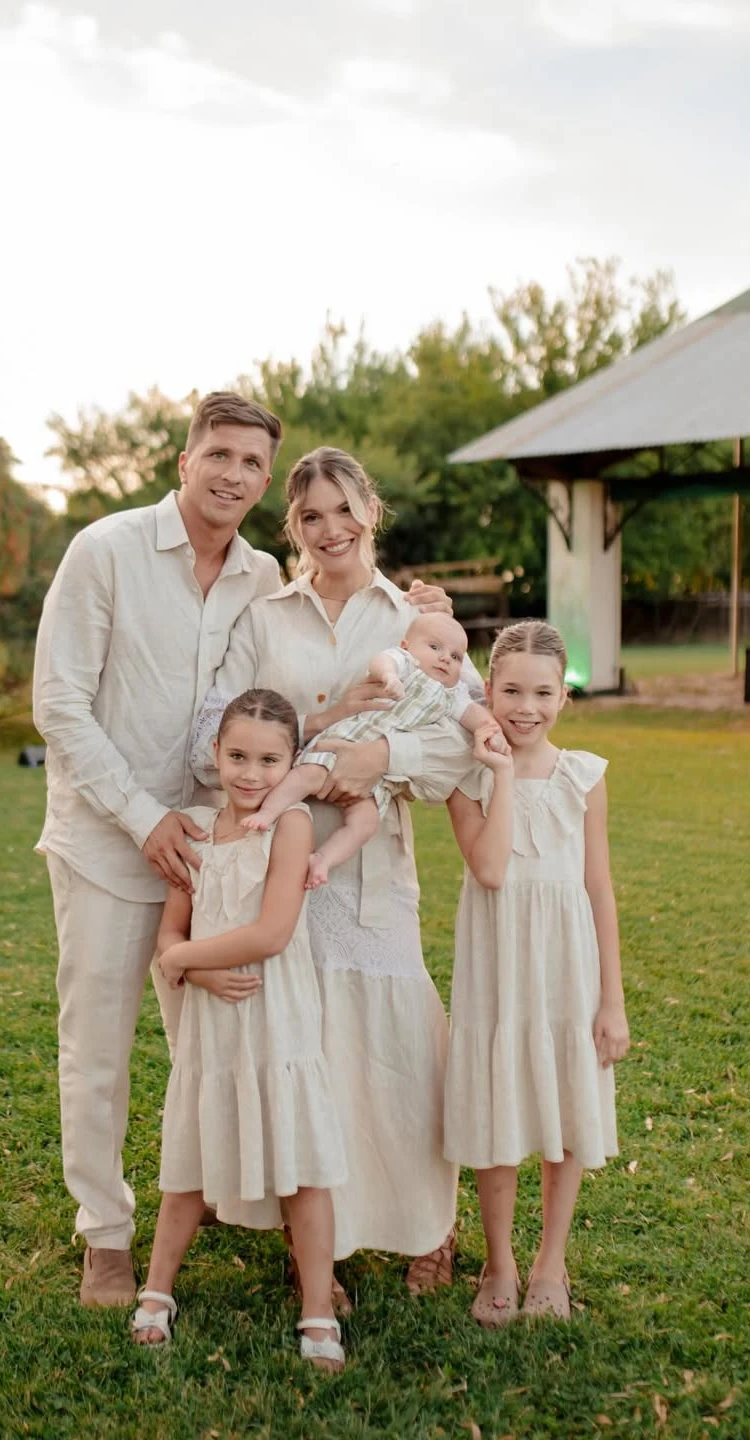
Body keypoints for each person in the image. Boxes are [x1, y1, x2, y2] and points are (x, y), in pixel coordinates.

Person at [32, 396, 448, 1308]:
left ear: (267, 481)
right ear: (185, 459)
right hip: (114, 839)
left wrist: (422, 621)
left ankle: (226, 1190)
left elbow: (296, 682)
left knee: (220, 1037)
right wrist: (145, 818)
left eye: (252, 463)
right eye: (218, 454)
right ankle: (105, 1235)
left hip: (224, 849)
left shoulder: (261, 576)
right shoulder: (104, 552)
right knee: (98, 1046)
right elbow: (57, 705)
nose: (233, 474)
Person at [190, 446, 478, 1301]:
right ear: (295, 526)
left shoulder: (411, 617)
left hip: (371, 867)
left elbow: (460, 738)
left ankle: (434, 1222)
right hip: (276, 866)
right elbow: (218, 730)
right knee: (302, 1048)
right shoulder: (265, 617)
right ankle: (315, 1240)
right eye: (311, 516)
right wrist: (314, 734)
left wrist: (382, 753)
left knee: (398, 1046)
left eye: (344, 509)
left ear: (371, 510)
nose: (330, 529)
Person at [133, 689, 347, 1372]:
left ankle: (318, 1311)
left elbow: (272, 932)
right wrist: (189, 969)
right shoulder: (194, 830)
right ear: (216, 756)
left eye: (268, 760)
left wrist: (182, 960)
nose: (251, 775)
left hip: (277, 1017)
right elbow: (170, 928)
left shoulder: (291, 827)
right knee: (190, 1160)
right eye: (237, 757)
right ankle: (157, 1292)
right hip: (214, 1026)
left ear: (292, 763)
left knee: (303, 1165)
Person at [444, 620, 630, 1327]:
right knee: (499, 1101)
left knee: (563, 1100)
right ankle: (500, 1261)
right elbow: (489, 871)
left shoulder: (584, 775)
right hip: (497, 962)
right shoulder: (463, 777)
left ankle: (551, 1261)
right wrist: (494, 771)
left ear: (564, 699)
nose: (526, 707)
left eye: (543, 693)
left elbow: (598, 887)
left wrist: (611, 1000)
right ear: (487, 689)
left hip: (565, 964)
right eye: (512, 690)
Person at [239, 613, 504, 888]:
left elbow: (475, 716)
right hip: (345, 742)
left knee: (365, 823)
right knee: (307, 775)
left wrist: (491, 733)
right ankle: (268, 813)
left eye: (456, 656)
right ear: (406, 646)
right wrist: (389, 675)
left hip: (377, 781)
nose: (445, 658)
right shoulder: (405, 665)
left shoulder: (453, 695)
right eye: (435, 647)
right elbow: (382, 661)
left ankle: (323, 859)